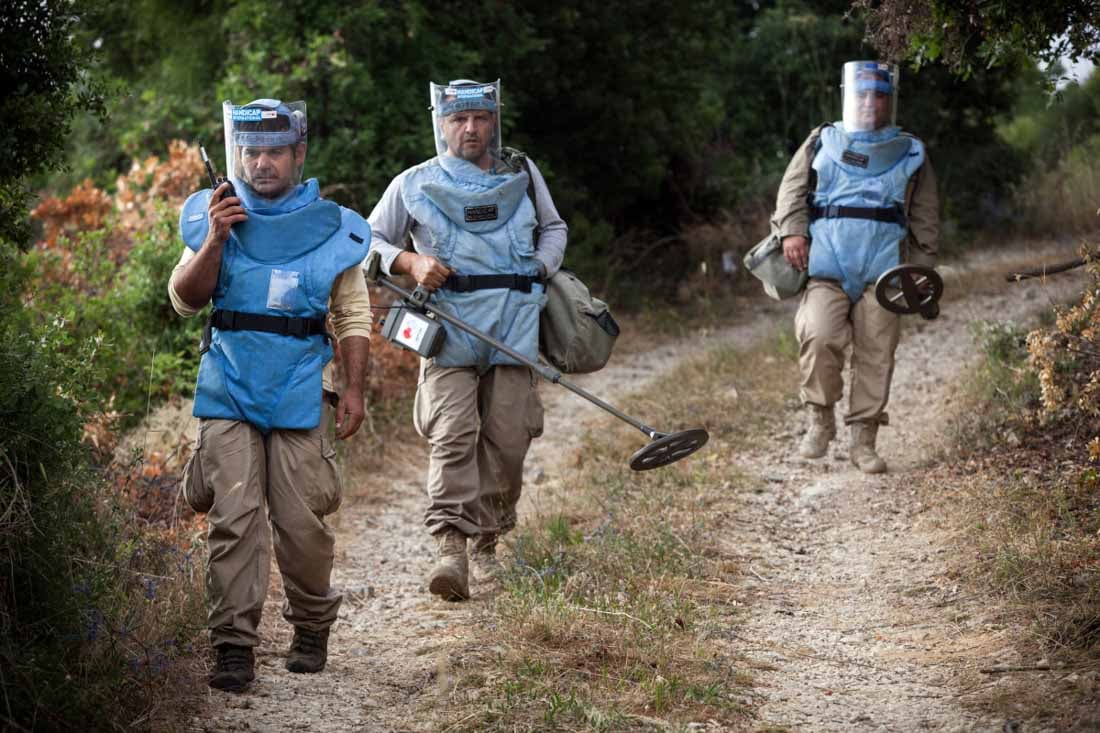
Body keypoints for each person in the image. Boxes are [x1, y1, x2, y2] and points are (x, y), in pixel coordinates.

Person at [169, 98, 373, 691]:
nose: (262, 163)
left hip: (300, 386)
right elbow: (184, 299)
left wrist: (355, 389)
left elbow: (353, 314)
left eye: (274, 151)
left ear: (298, 154)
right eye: (251, 151)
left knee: (300, 519)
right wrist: (215, 238)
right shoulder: (215, 213)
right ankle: (233, 646)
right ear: (237, 154)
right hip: (228, 384)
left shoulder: (333, 227)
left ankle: (311, 626)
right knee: (234, 518)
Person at [366, 79, 567, 601]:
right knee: (453, 433)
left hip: (514, 325)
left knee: (508, 438)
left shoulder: (521, 173)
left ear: (494, 119)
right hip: (447, 327)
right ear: (440, 122)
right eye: (459, 119)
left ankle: (488, 546)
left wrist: (540, 269)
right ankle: (451, 549)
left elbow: (555, 228)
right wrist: (411, 261)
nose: (471, 128)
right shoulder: (412, 183)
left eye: (480, 118)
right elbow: (367, 239)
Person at [772, 61, 939, 473]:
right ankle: (820, 418)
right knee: (817, 333)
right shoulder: (822, 141)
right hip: (827, 268)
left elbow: (925, 218)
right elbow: (791, 191)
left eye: (878, 94)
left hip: (884, 275)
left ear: (889, 100)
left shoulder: (912, 151)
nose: (869, 102)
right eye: (862, 94)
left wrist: (921, 271)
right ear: (849, 95)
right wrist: (793, 232)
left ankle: (864, 439)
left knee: (877, 351)